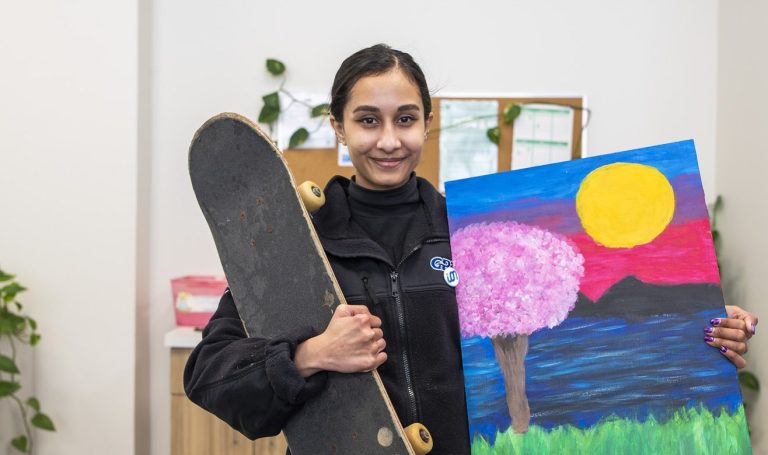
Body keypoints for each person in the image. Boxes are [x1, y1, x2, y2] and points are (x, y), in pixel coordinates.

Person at [184, 44, 758, 454]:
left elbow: (585, 316)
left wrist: (695, 332)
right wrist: (311, 354)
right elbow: (209, 376)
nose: (388, 140)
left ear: (427, 125)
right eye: (367, 121)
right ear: (338, 127)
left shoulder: (474, 231)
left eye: (405, 119)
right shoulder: (301, 244)